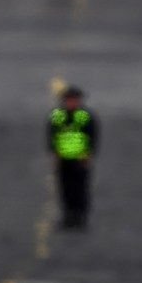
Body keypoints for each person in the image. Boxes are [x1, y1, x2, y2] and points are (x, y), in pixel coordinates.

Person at [48, 85, 99, 230]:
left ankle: (80, 218)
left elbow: (92, 135)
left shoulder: (84, 116)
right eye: (69, 100)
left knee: (80, 189)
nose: (71, 103)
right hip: (64, 158)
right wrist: (55, 152)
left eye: (74, 100)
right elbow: (52, 134)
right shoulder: (58, 116)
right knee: (65, 189)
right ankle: (68, 217)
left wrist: (88, 154)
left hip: (80, 158)